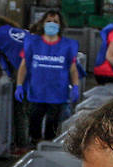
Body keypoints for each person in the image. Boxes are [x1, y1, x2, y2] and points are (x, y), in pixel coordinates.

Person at [16, 10, 81, 143]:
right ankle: (35, 144)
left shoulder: (67, 46)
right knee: (34, 122)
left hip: (57, 93)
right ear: (43, 23)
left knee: (53, 125)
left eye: (55, 22)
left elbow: (73, 69)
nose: (52, 24)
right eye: (49, 21)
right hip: (37, 92)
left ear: (60, 25)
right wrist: (19, 85)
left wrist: (75, 86)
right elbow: (24, 66)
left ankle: (48, 148)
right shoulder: (33, 43)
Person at [0, 15, 32, 151]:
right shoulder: (20, 31)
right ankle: (30, 139)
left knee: (19, 110)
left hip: (22, 72)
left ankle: (21, 146)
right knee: (29, 108)